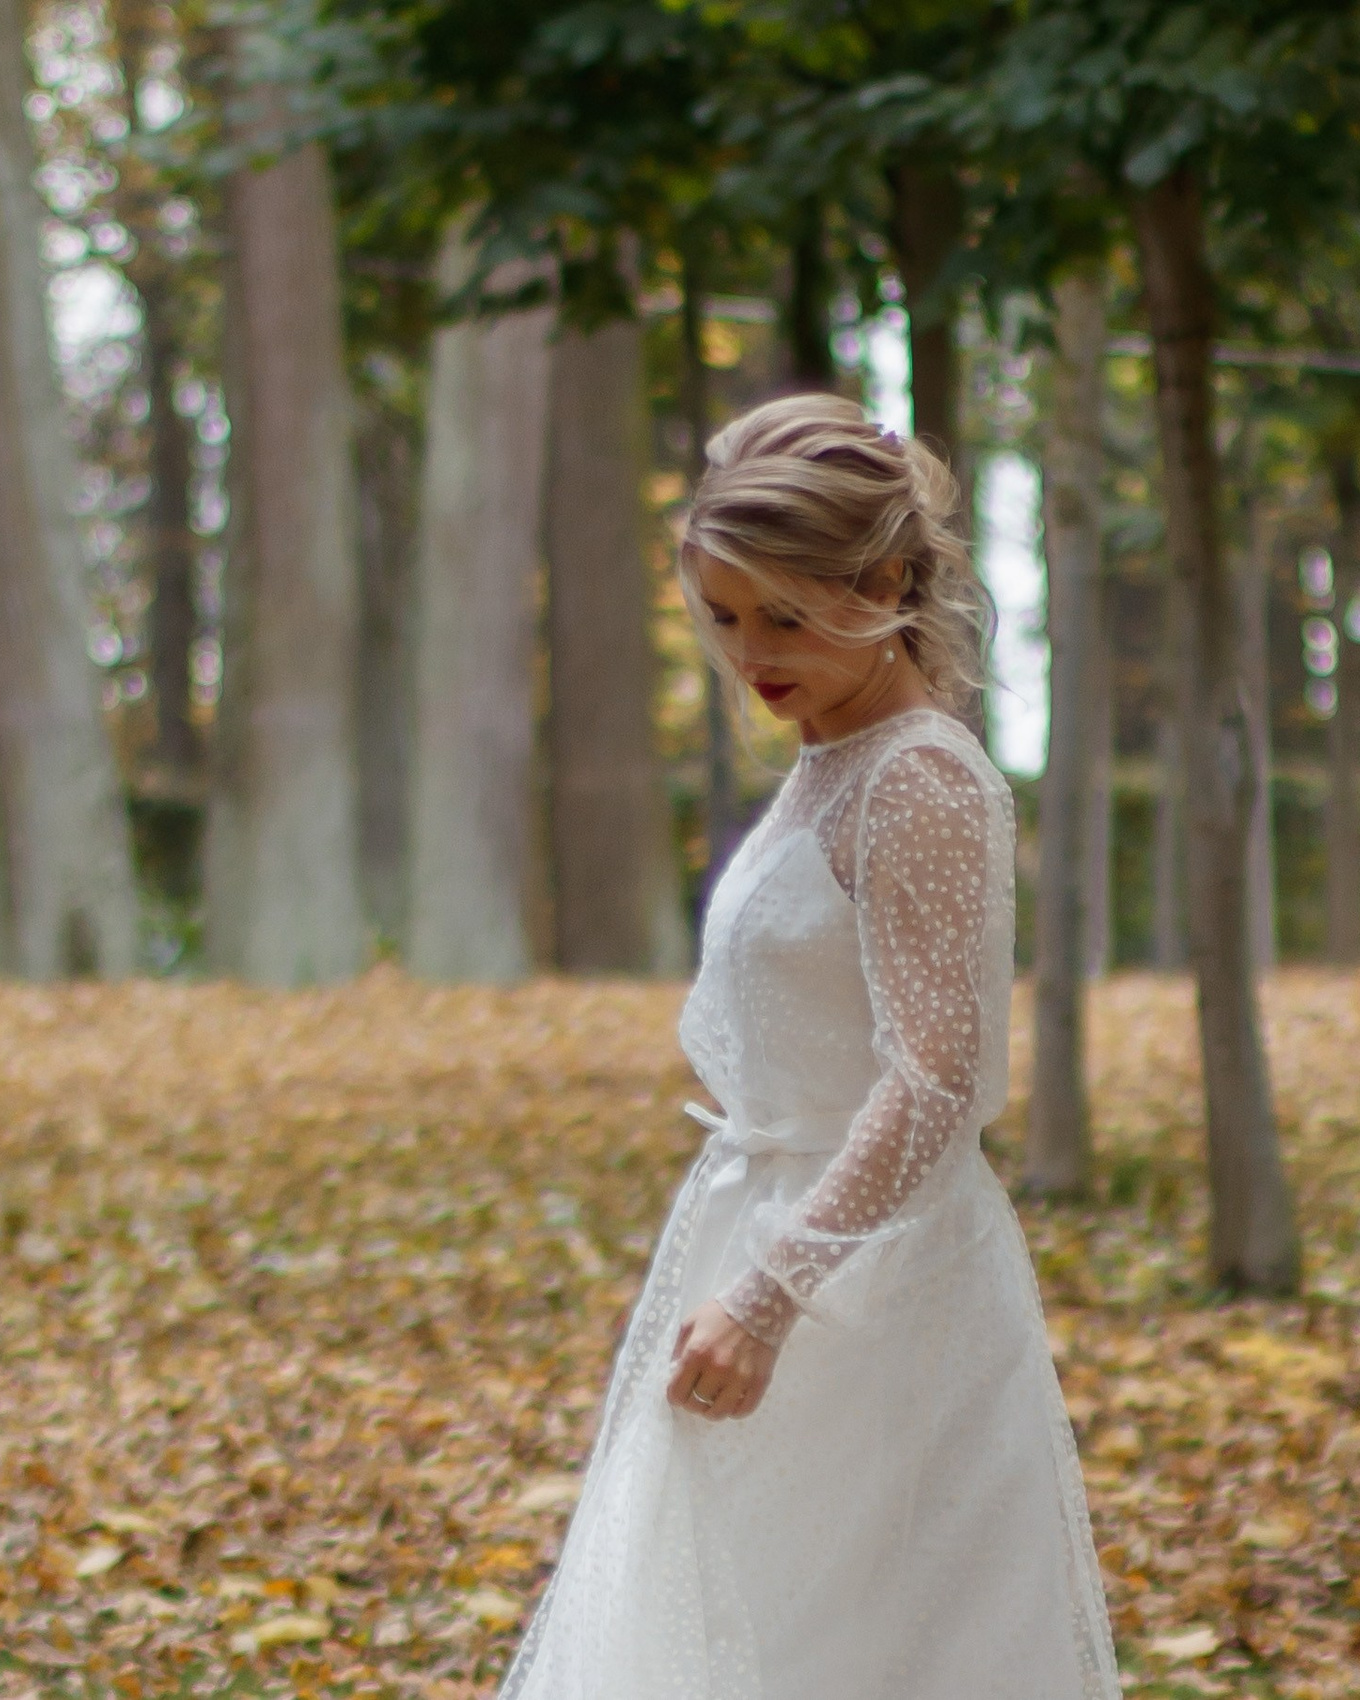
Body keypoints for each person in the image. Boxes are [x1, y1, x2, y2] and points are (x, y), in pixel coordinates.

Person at [498, 395, 1120, 1699]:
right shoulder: (829, 758)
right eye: (724, 616)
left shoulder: (920, 782)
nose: (749, 654)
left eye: (783, 615)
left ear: (885, 580)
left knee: (846, 1652)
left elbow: (939, 1078)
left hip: (870, 1293)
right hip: (760, 1241)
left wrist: (775, 1292)